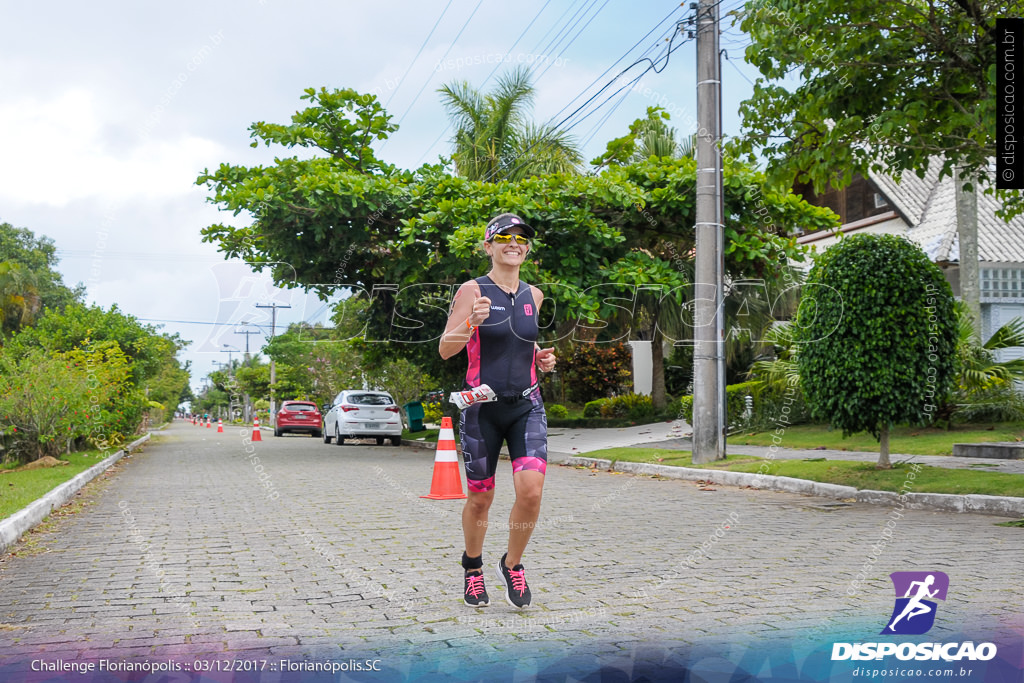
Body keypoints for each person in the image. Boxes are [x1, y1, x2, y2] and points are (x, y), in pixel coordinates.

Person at [439, 213, 557, 608]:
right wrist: (470, 324)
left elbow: (519, 344)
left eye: (522, 237)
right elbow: (446, 349)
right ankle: (473, 567)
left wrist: (540, 358)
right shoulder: (472, 290)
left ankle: (513, 563)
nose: (514, 242)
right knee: (481, 499)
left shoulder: (534, 295)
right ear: (488, 246)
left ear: (527, 248)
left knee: (531, 493)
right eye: (504, 236)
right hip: (481, 409)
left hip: (527, 404)